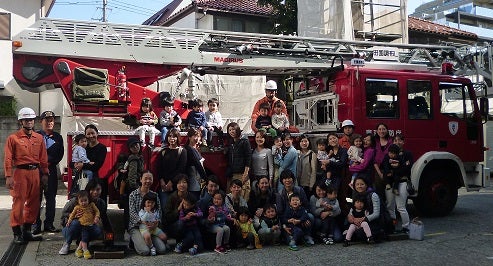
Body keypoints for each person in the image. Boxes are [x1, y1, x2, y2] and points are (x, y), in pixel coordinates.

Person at [4, 107, 48, 244]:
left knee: (34, 203)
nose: (29, 122)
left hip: (35, 172)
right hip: (20, 174)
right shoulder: (13, 138)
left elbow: (43, 157)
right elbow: (8, 159)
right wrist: (8, 176)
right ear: (21, 121)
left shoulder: (39, 138)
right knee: (18, 203)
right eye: (26, 120)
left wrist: (45, 173)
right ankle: (17, 233)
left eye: (31, 119)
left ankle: (27, 231)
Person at [59, 178, 113, 255]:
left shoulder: (101, 203)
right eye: (93, 190)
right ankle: (67, 243)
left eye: (98, 190)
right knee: (76, 223)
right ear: (88, 190)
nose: (95, 192)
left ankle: (82, 241)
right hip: (70, 227)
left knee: (98, 230)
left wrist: (109, 240)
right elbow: (64, 212)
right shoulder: (77, 200)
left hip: (87, 227)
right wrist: (73, 215)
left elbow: (105, 221)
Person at [33, 110, 64, 234]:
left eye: (51, 120)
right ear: (41, 122)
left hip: (51, 169)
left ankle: (49, 224)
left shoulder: (58, 137)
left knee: (51, 198)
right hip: (37, 170)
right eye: (47, 120)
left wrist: (50, 162)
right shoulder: (35, 135)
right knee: (36, 198)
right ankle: (35, 225)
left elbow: (60, 154)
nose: (50, 123)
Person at [128, 171, 166, 256]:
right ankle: (135, 241)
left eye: (150, 179)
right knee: (145, 251)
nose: (148, 181)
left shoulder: (154, 195)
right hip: (136, 226)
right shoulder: (133, 195)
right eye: (145, 178)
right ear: (141, 179)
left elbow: (159, 212)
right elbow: (132, 213)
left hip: (152, 227)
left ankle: (147, 240)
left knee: (162, 250)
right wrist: (143, 222)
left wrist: (156, 223)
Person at [72, 124, 108, 202]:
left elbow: (97, 166)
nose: (91, 136)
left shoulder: (102, 148)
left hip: (94, 180)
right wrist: (76, 164)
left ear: (97, 134)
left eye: (92, 133)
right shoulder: (82, 147)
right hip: (80, 179)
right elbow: (72, 163)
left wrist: (83, 165)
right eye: (88, 134)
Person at [385, 134, 413, 233]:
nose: (397, 142)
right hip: (391, 183)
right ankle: (392, 227)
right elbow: (386, 168)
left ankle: (406, 227)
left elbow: (407, 169)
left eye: (399, 140)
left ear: (403, 142)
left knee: (401, 207)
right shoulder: (388, 155)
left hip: (402, 182)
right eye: (395, 140)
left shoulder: (408, 154)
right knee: (390, 206)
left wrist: (394, 172)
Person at [157, 128, 187, 209]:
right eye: (169, 136)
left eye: (174, 136)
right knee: (165, 208)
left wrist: (171, 182)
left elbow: (181, 169)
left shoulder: (182, 151)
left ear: (178, 138)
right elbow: (159, 168)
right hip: (164, 187)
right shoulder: (163, 151)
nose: (171, 138)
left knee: (176, 209)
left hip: (177, 187)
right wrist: (162, 181)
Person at [119, 137, 144, 230]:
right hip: (132, 188)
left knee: (129, 209)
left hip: (130, 188)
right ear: (130, 149)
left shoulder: (137, 157)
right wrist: (137, 189)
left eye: (137, 145)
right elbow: (132, 177)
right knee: (131, 210)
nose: (135, 147)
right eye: (132, 146)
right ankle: (129, 230)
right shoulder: (134, 159)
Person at [66, 190, 101, 259]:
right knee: (84, 238)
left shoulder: (91, 205)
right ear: (78, 201)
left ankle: (78, 249)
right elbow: (72, 215)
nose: (84, 203)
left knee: (86, 236)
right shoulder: (77, 207)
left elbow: (97, 211)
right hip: (83, 225)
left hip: (91, 224)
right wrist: (69, 221)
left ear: (88, 199)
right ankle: (85, 250)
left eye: (85, 200)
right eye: (81, 201)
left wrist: (97, 217)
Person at [224, 122, 251, 198]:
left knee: (243, 197)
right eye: (229, 130)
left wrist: (245, 173)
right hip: (232, 174)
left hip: (241, 174)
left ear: (237, 129)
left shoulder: (244, 141)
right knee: (231, 198)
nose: (231, 132)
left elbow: (248, 157)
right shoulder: (231, 142)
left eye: (233, 129)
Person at [138, 192, 167, 256]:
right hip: (145, 227)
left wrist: (156, 222)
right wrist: (147, 212)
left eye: (152, 203)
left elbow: (157, 218)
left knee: (164, 236)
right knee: (147, 236)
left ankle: (164, 243)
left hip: (154, 228)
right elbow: (143, 219)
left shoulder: (155, 211)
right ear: (144, 202)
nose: (150, 204)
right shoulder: (142, 211)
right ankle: (151, 247)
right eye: (148, 202)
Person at [163, 174, 189, 241]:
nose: (182, 185)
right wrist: (178, 210)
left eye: (184, 182)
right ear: (176, 185)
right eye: (179, 182)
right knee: (181, 223)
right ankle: (180, 241)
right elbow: (167, 217)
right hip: (174, 225)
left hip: (189, 224)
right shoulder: (171, 197)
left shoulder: (190, 196)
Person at [185, 128, 207, 199]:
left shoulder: (195, 149)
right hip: (193, 180)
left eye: (198, 136)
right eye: (195, 136)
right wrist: (206, 178)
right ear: (189, 137)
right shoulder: (189, 149)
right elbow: (198, 165)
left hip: (197, 180)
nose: (197, 138)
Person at [373, 123, 393, 197]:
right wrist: (380, 173)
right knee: (379, 193)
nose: (382, 131)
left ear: (387, 131)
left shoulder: (391, 142)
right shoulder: (375, 142)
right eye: (380, 129)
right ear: (377, 131)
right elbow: (373, 159)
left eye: (384, 129)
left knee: (389, 194)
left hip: (389, 170)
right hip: (378, 170)